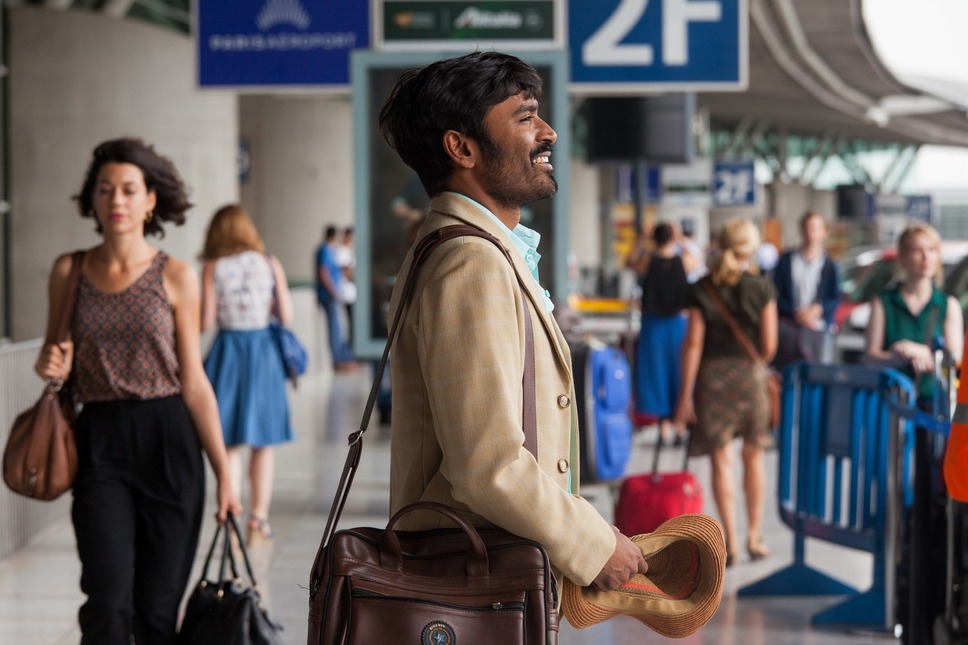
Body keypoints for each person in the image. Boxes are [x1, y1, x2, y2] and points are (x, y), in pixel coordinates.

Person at [377, 51, 648, 595]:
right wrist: (593, 545)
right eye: (524, 117)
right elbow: (487, 463)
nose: (547, 132)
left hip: (485, 567)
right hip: (477, 581)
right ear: (462, 148)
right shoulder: (470, 263)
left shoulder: (474, 250)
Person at [34, 137, 241, 644]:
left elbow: (193, 381)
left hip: (168, 437)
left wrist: (225, 474)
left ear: (151, 200)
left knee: (157, 608)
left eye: (129, 189)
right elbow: (53, 357)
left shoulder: (176, 276)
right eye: (105, 190)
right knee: (106, 601)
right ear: (93, 201)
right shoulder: (70, 270)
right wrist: (50, 365)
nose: (117, 201)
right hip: (99, 438)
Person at [675, 218, 778, 567]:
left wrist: (685, 395)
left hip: (712, 381)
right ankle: (754, 535)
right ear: (751, 248)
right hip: (749, 381)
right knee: (754, 455)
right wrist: (752, 366)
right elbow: (769, 346)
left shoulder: (703, 288)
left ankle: (730, 542)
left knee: (722, 459)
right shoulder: (761, 287)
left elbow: (693, 344)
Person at [200, 204, 295, 547]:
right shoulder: (269, 263)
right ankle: (259, 520)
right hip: (263, 354)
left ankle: (232, 516)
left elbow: (205, 322)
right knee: (262, 443)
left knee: (229, 443)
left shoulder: (213, 268)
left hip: (228, 352)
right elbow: (286, 315)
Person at [864, 222, 963, 404]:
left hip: (936, 404)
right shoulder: (883, 303)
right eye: (917, 250)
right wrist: (898, 357)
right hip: (891, 401)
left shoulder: (948, 305)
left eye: (932, 249)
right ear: (902, 257)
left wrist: (922, 352)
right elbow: (870, 355)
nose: (926, 257)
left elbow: (955, 359)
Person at [627, 221, 697, 443]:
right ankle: (679, 423)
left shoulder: (648, 261)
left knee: (656, 373)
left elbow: (629, 262)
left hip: (653, 324)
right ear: (672, 238)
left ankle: (664, 425)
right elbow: (698, 260)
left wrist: (641, 240)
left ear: (654, 239)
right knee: (678, 371)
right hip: (677, 323)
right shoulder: (683, 261)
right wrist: (682, 239)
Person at [772, 211, 840, 368]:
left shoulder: (830, 265)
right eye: (808, 228)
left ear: (824, 232)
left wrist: (818, 309)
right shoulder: (787, 261)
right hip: (790, 327)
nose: (811, 233)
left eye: (816, 228)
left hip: (819, 329)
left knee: (820, 374)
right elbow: (776, 294)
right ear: (802, 230)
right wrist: (796, 313)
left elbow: (835, 297)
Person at [315, 225, 354, 369]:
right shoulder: (324, 250)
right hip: (329, 296)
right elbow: (323, 273)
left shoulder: (329, 250)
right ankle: (338, 360)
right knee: (335, 328)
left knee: (339, 327)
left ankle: (342, 357)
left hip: (333, 294)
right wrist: (334, 291)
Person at [333, 226, 357, 341]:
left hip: (351, 291)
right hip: (344, 290)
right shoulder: (340, 251)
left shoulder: (348, 251)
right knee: (348, 320)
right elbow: (344, 271)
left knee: (354, 320)